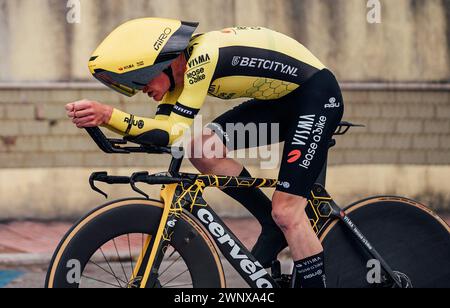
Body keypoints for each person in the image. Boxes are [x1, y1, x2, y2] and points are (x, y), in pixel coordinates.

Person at [66, 18, 344, 289]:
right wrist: (107, 123)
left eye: (140, 82)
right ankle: (270, 224)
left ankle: (283, 228)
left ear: (160, 64)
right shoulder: (178, 80)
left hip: (315, 96)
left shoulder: (203, 57)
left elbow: (173, 132)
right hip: (280, 102)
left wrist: (107, 115)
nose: (142, 90)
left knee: (287, 211)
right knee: (200, 147)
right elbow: (165, 134)